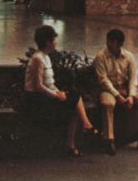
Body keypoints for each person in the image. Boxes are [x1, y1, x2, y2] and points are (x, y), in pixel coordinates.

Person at [24, 25, 97, 157]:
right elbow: (37, 86)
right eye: (54, 40)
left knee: (74, 104)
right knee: (75, 98)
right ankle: (86, 126)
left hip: (47, 95)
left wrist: (59, 92)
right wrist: (57, 96)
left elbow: (50, 83)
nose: (56, 43)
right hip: (36, 98)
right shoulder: (37, 59)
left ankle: (72, 142)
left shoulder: (46, 57)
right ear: (48, 42)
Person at [93, 28, 138, 155]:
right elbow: (103, 80)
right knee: (108, 104)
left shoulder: (129, 57)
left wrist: (131, 96)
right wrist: (117, 96)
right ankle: (109, 140)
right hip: (108, 90)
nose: (108, 44)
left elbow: (133, 78)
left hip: (125, 89)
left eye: (111, 42)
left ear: (118, 44)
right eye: (108, 41)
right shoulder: (100, 57)